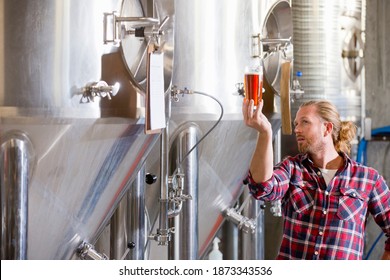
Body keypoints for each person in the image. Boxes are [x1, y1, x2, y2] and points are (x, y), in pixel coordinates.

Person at [242, 98, 390, 260]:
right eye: (296, 124)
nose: (296, 129)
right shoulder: (292, 169)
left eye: (304, 122)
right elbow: (262, 188)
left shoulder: (368, 179)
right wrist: (265, 133)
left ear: (327, 128)